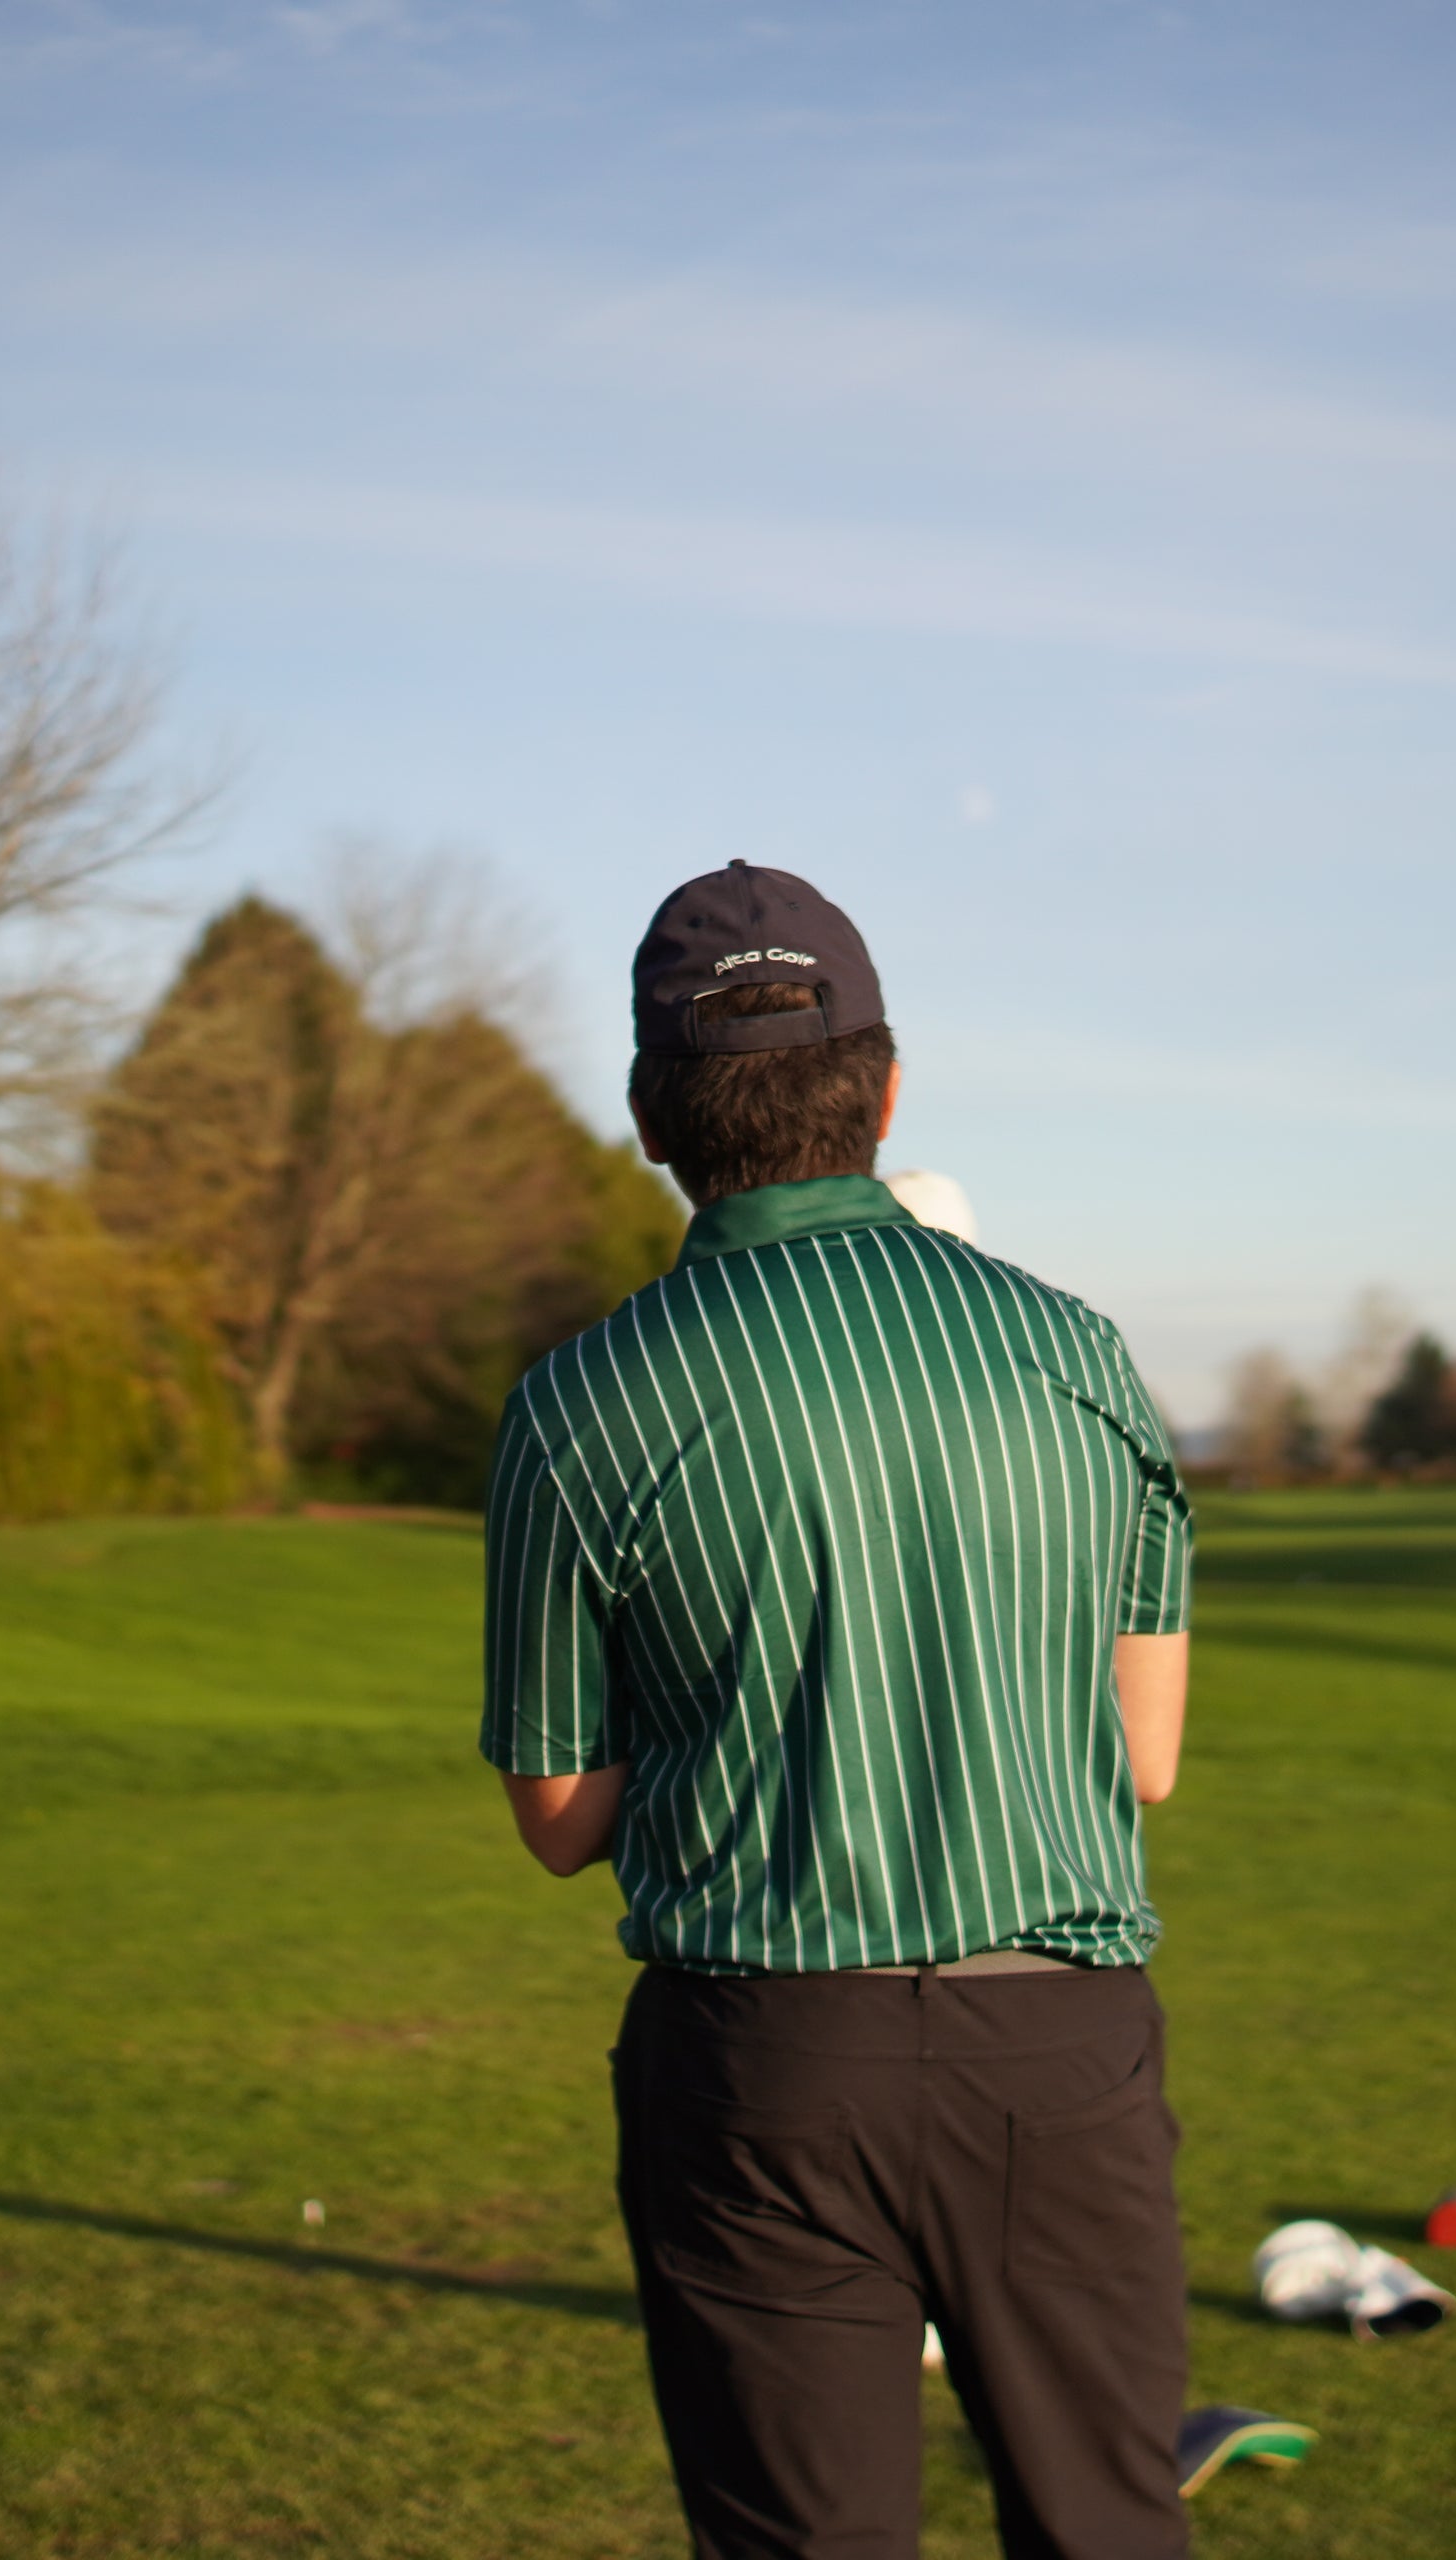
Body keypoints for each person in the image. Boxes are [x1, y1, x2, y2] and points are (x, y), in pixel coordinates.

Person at [483, 861, 1197, 2560]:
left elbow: (564, 1825)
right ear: (884, 1087)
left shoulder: (579, 1401)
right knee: (1110, 2529)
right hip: (1059, 2050)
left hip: (762, 2068)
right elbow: (1145, 1758)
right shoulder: (1077, 1351)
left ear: (656, 1116)